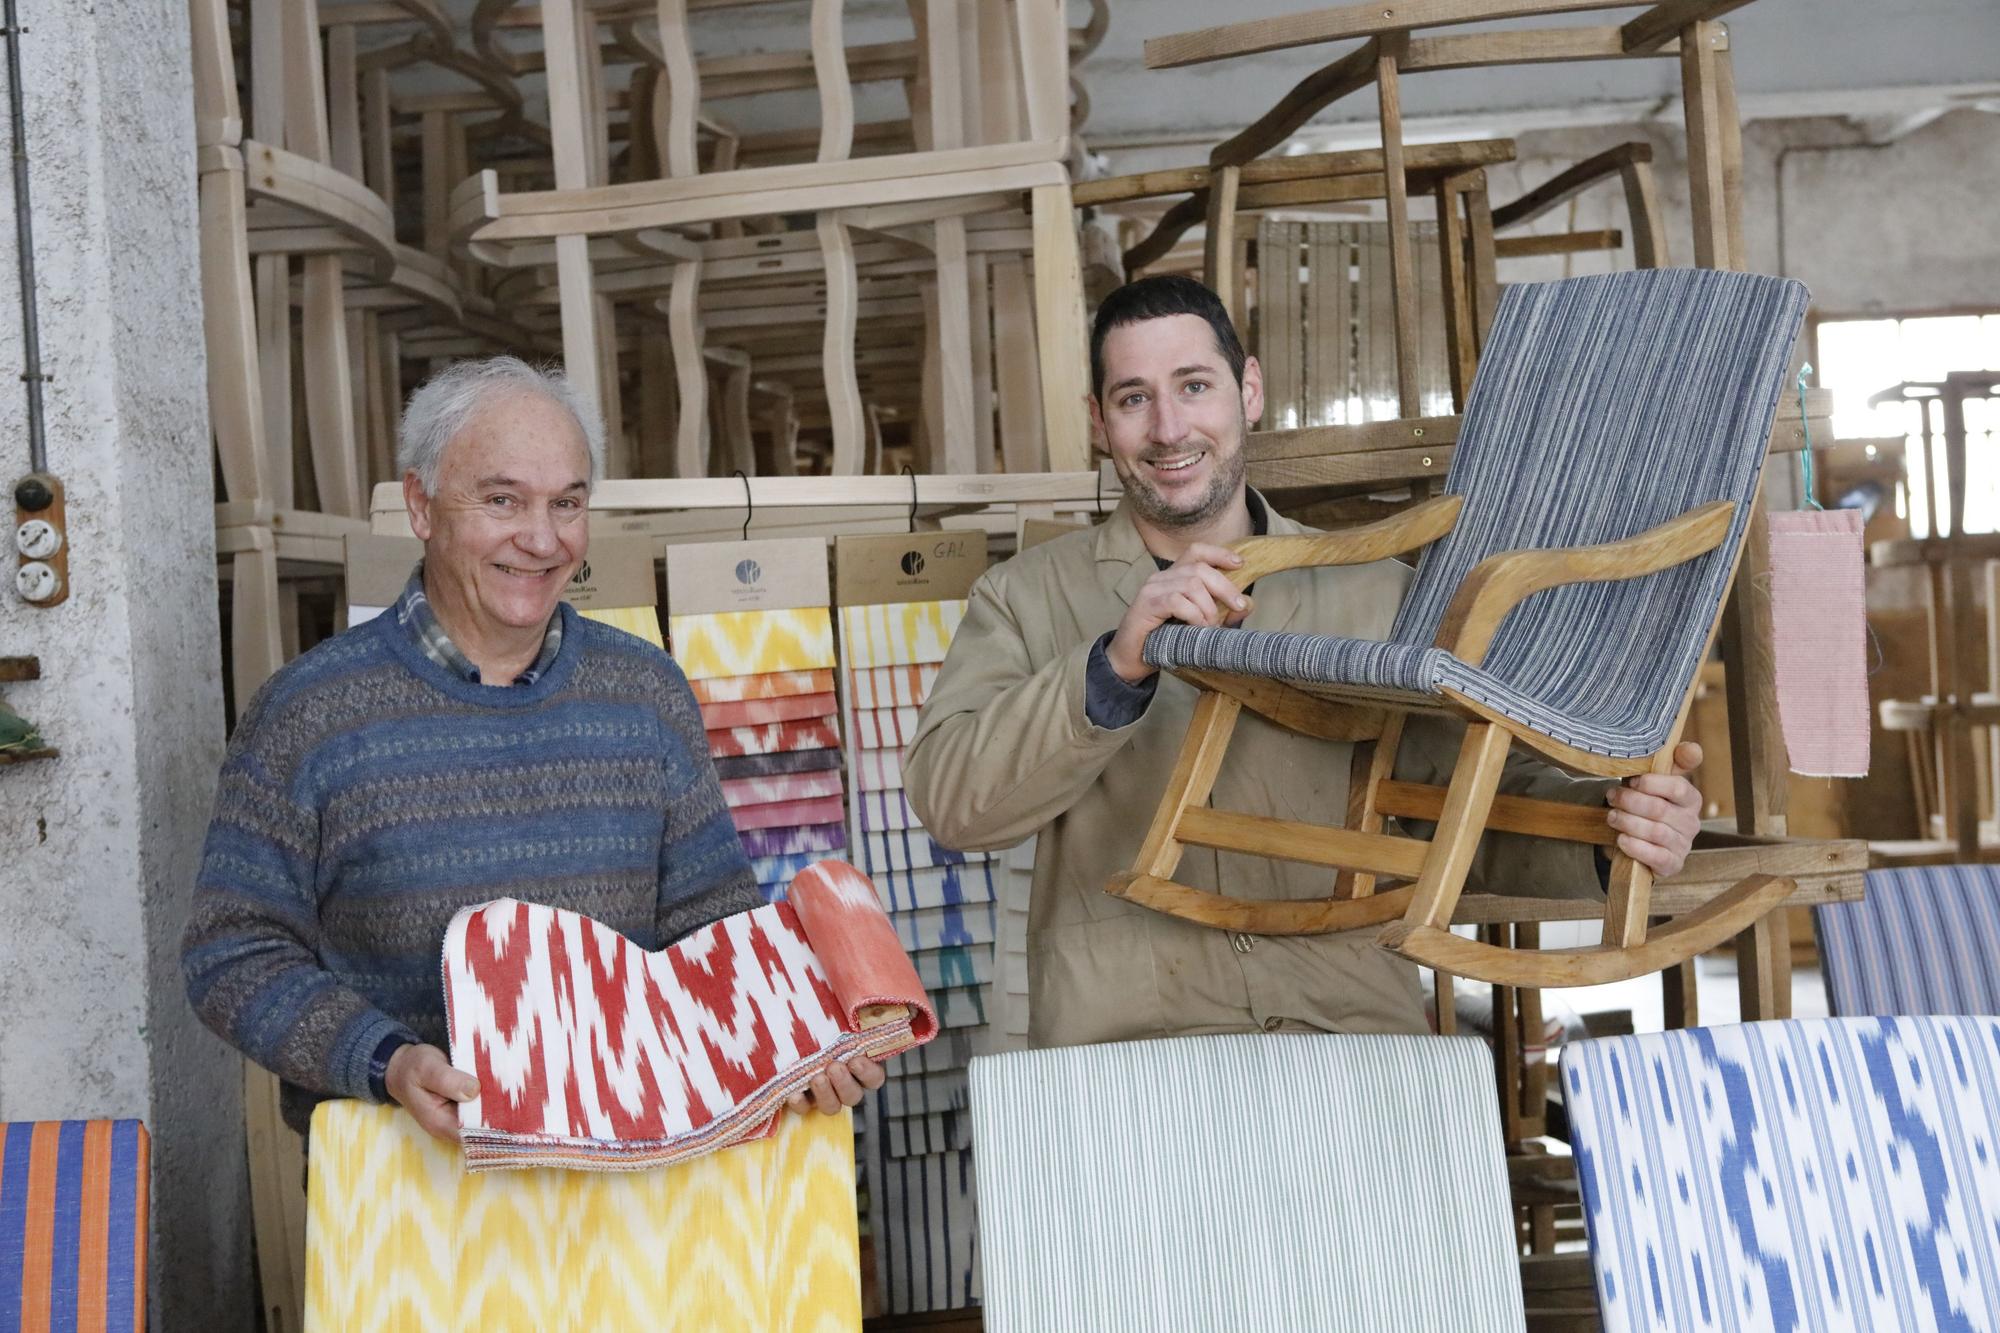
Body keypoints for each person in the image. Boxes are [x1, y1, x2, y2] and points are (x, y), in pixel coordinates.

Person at [903, 275, 1703, 1047]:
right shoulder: (1022, 595)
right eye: (1134, 398)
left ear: (1248, 392)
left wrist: (1607, 834)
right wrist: (1115, 664)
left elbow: (1463, 811)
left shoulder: (1381, 596)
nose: (1169, 429)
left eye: (1194, 386)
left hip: (1349, 1027)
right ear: (1097, 420)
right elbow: (955, 804)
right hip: (1128, 1045)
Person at [183, 356, 881, 1143]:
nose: (542, 538)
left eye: (567, 502)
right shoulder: (311, 712)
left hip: (633, 1183)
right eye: (502, 499)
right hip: (406, 1198)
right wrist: (383, 1059)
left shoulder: (643, 692)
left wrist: (798, 1037)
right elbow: (232, 952)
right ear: (421, 504)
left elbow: (709, 925)